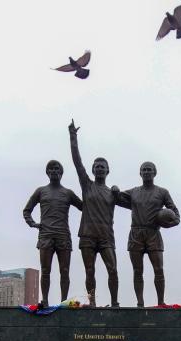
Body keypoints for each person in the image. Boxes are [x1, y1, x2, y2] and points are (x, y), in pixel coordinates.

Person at [68, 120, 120, 307]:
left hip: (106, 236)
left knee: (112, 270)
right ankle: (92, 303)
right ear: (92, 170)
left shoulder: (113, 193)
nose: (99, 168)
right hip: (88, 235)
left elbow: (135, 203)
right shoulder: (87, 185)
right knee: (89, 271)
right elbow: (77, 162)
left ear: (107, 171)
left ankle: (114, 302)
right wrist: (73, 137)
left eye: (102, 166)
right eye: (96, 166)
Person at [116, 161, 180, 307]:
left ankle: (160, 302)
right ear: (140, 173)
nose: (146, 172)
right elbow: (118, 199)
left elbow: (176, 214)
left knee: (158, 269)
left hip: (153, 233)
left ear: (154, 173)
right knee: (137, 271)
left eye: (149, 170)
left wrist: (170, 223)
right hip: (136, 233)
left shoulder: (162, 192)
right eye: (143, 170)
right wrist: (114, 191)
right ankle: (140, 302)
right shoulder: (134, 192)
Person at [23, 160, 83, 307]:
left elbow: (84, 207)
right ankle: (45, 300)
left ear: (61, 173)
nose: (54, 171)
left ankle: (64, 301)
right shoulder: (40, 191)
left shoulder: (68, 193)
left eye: (57, 169)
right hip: (46, 236)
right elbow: (27, 210)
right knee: (45, 270)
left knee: (64, 270)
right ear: (47, 172)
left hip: (63, 236)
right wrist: (33, 223)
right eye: (51, 169)